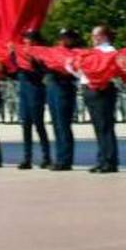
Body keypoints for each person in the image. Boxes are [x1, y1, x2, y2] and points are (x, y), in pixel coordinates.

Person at [82, 25, 119, 174]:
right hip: (89, 88)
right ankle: (102, 159)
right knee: (98, 127)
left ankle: (109, 161)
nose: (93, 38)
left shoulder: (109, 51)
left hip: (102, 89)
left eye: (95, 35)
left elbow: (108, 71)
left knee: (105, 126)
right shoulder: (91, 52)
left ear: (104, 37)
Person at [46, 28, 80, 172]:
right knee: (56, 125)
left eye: (66, 37)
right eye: (61, 37)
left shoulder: (77, 53)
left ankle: (65, 160)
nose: (62, 40)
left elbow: (75, 70)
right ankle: (59, 157)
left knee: (63, 125)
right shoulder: (55, 51)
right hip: (53, 86)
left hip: (64, 88)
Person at [16, 31, 51, 170]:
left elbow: (42, 72)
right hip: (24, 93)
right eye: (24, 41)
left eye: (28, 41)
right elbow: (15, 73)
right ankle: (27, 158)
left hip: (36, 92)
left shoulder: (40, 56)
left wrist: (32, 62)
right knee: (25, 126)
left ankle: (46, 157)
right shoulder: (20, 55)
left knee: (39, 125)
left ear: (35, 42)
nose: (26, 43)